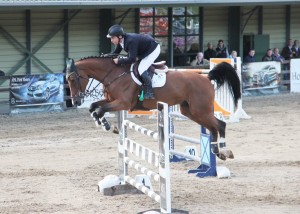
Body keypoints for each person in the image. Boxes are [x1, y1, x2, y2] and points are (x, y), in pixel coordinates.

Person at [107, 24, 160, 99]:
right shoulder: (121, 41)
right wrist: (105, 56)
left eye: (112, 38)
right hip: (143, 50)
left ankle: (150, 93)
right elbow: (115, 53)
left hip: (153, 49)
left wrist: (119, 61)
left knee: (141, 69)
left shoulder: (130, 41)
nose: (111, 40)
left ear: (120, 37)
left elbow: (132, 59)